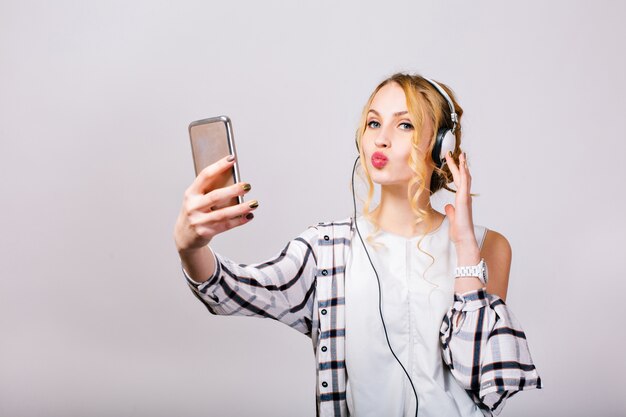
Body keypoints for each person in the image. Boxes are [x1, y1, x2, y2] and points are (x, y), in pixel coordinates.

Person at [173, 73, 542, 417]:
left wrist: (464, 247)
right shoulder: (327, 249)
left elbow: (485, 381)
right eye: (373, 123)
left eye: (405, 124)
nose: (381, 138)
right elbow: (230, 290)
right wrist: (190, 246)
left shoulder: (487, 247)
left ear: (441, 145)